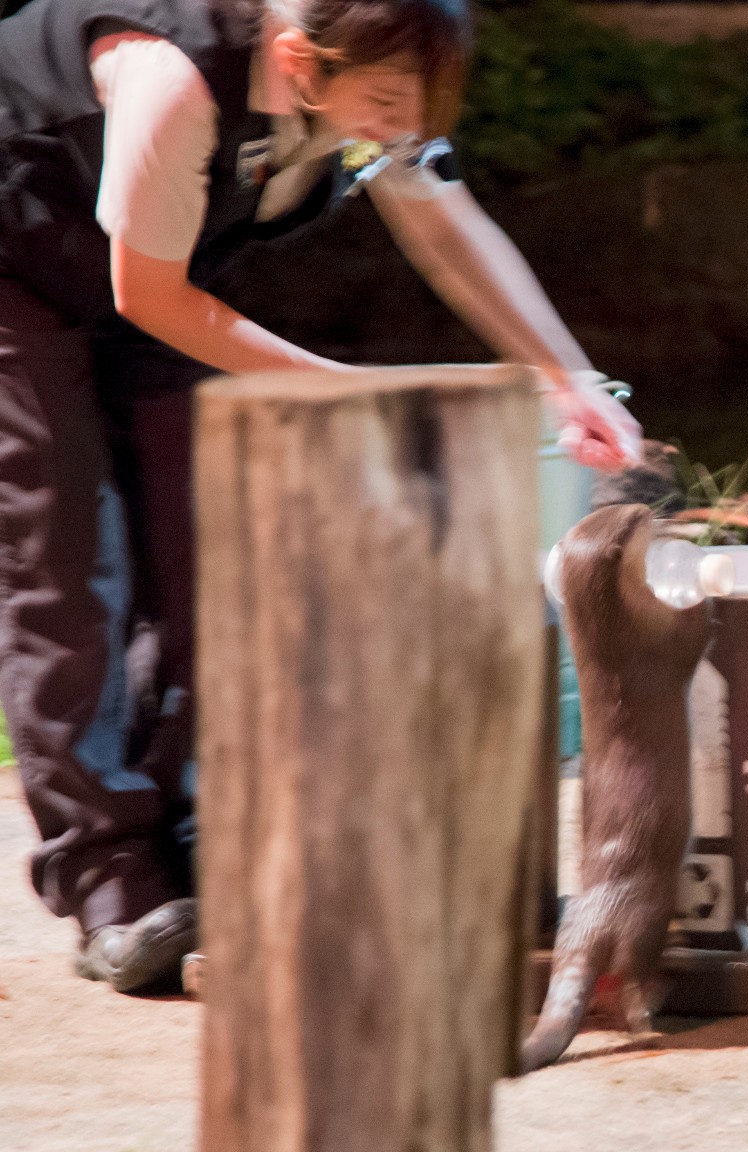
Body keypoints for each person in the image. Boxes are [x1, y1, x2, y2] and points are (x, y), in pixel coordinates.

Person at [0, 0, 638, 991]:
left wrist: (568, 376)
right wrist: (349, 391)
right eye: (386, 97)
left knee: (205, 535)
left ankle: (203, 844)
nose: (405, 116)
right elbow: (150, 296)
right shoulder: (172, 77)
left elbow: (443, 218)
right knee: (70, 555)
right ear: (298, 62)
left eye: (424, 96)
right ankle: (109, 881)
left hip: (143, 260)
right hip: (20, 260)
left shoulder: (368, 79)